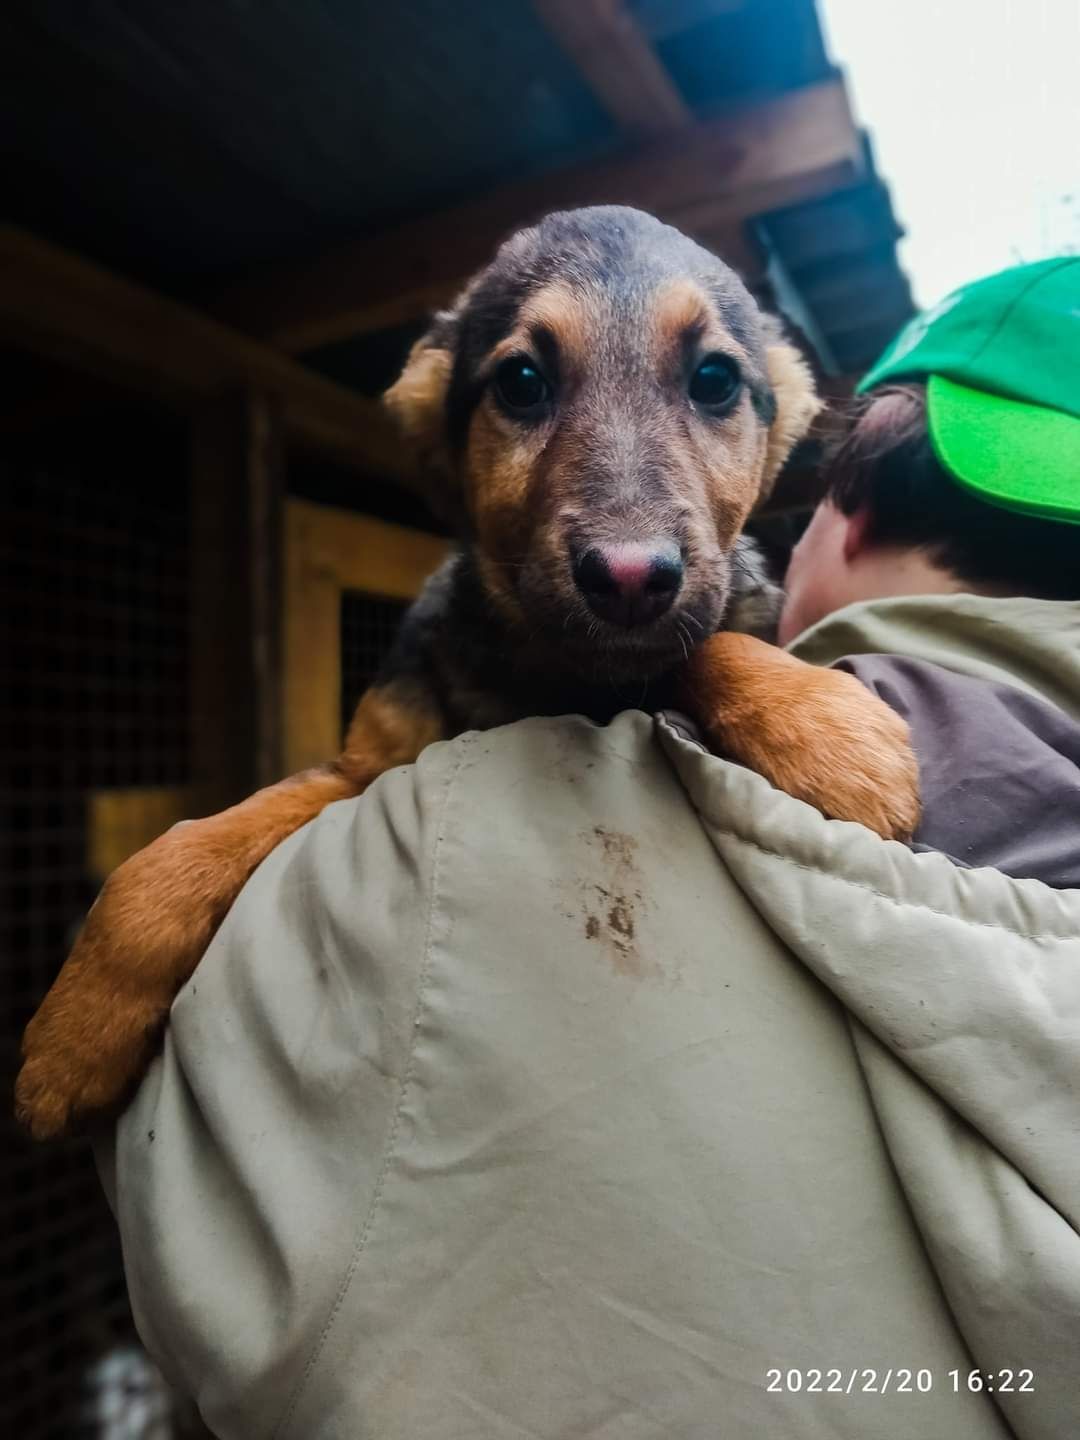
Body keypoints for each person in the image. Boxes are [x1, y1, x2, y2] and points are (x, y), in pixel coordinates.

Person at [95, 258, 1080, 1439]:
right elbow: (356, 772)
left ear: (822, 497)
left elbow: (191, 1227)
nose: (631, 529)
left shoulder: (421, 873)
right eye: (524, 385)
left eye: (710, 386)